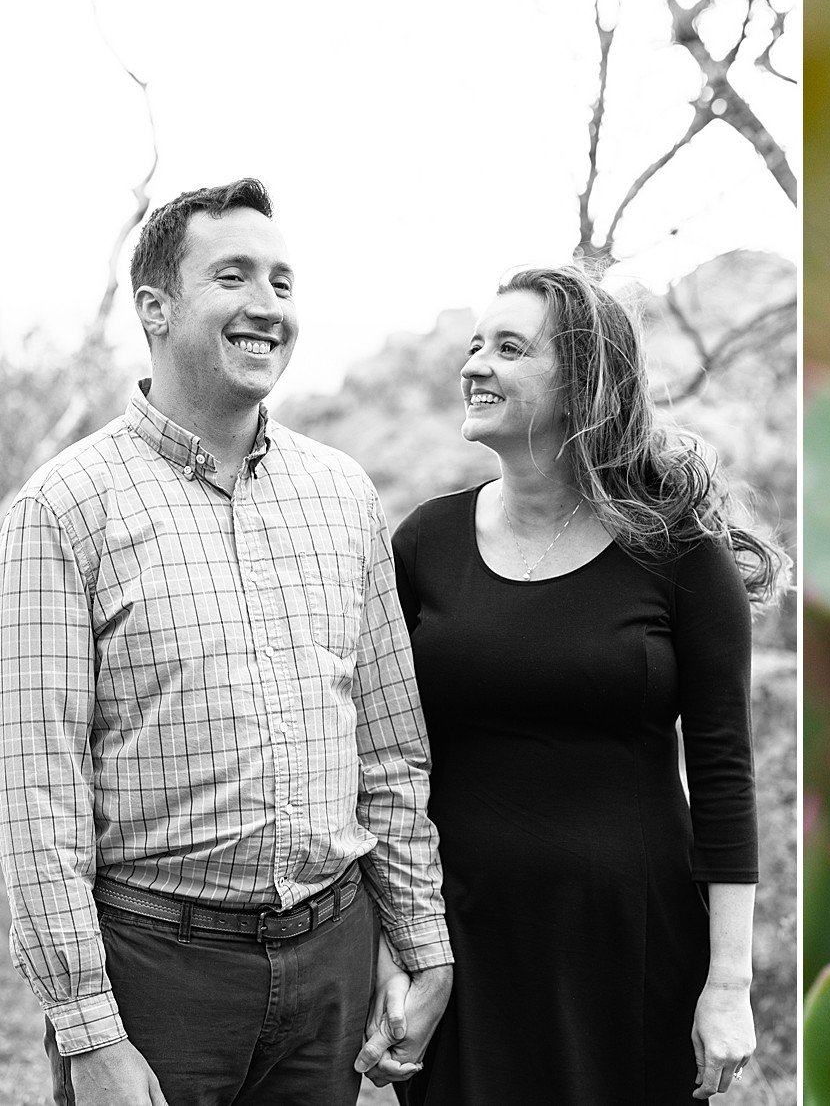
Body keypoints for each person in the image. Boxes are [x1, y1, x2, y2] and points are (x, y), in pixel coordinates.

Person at [0, 178, 453, 1106]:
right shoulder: (62, 508)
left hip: (332, 958)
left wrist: (421, 941)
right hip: (155, 972)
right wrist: (91, 1032)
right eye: (234, 276)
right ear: (156, 308)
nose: (267, 306)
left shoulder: (343, 495)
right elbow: (36, 794)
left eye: (283, 283)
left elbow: (392, 750)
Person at [357, 266, 784, 1103]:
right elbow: (379, 766)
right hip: (464, 949)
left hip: (632, 949)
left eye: (508, 348)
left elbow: (726, 772)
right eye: (473, 345)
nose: (475, 364)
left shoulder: (679, 550)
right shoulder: (423, 542)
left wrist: (727, 985)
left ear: (584, 380)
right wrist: (391, 945)